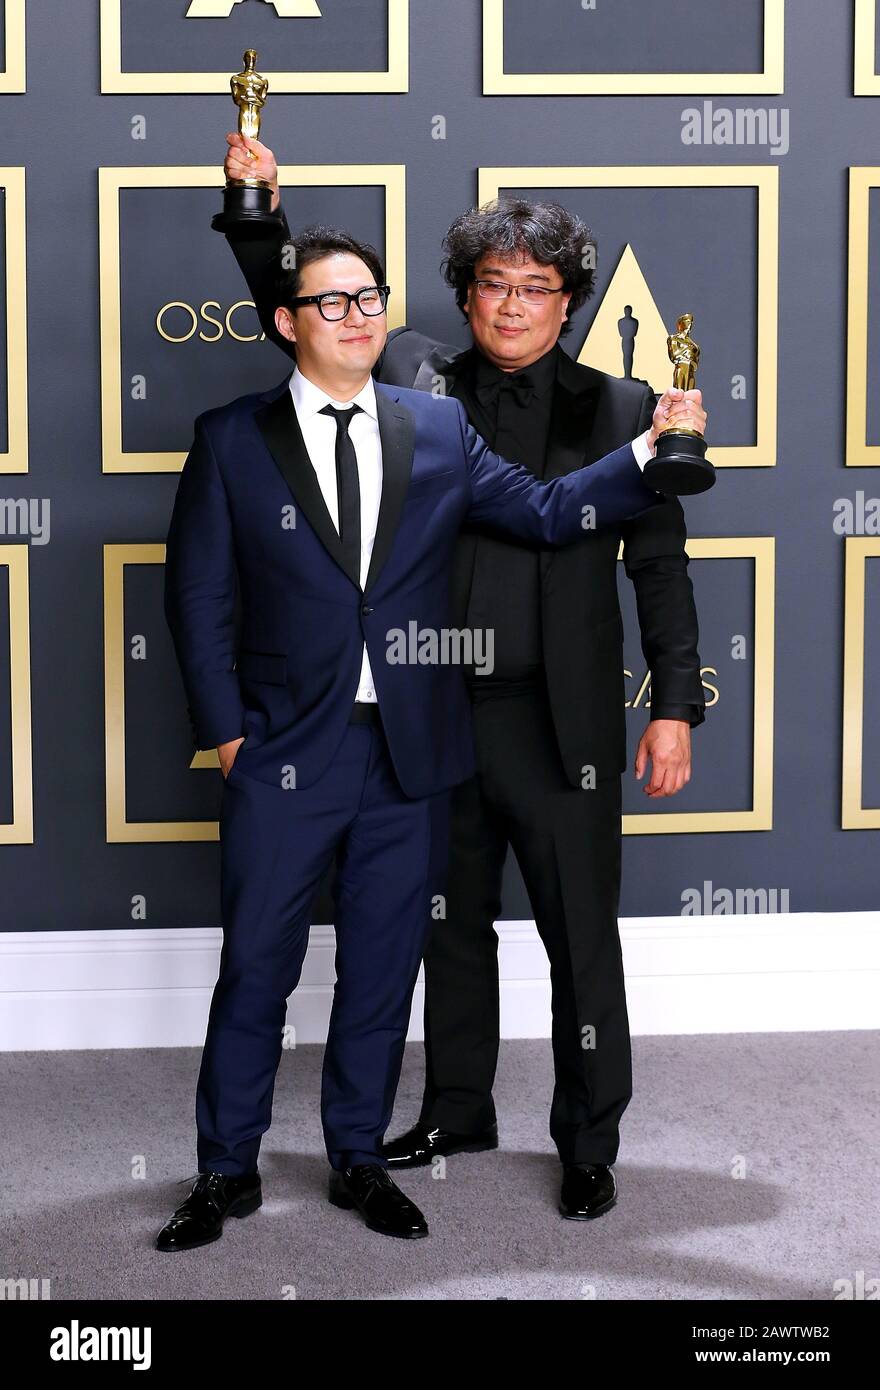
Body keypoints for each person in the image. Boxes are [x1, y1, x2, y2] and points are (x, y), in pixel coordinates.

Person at [156, 221, 691, 1250]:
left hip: (452, 738)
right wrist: (228, 736)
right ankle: (230, 1168)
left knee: (389, 965)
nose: (356, 318)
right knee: (266, 965)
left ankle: (381, 1153)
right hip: (302, 744)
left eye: (369, 301)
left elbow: (549, 512)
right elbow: (199, 600)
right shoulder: (252, 428)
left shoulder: (437, 429)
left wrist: (648, 451)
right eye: (330, 303)